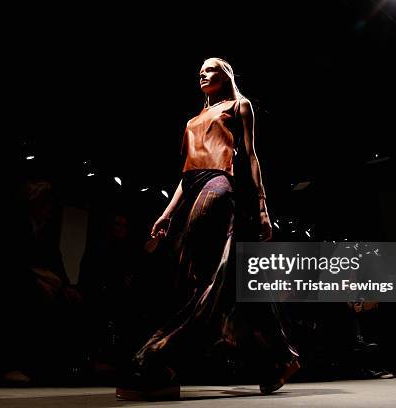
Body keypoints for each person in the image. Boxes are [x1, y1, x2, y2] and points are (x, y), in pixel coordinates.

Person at [116, 57, 299, 400]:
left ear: (226, 74)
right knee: (221, 278)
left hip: (219, 184)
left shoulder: (239, 105)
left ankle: (159, 356)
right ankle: (279, 358)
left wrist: (261, 206)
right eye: (200, 69)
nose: (203, 72)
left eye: (211, 68)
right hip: (194, 186)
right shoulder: (193, 119)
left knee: (200, 277)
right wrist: (167, 212)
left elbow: (251, 155)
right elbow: (186, 175)